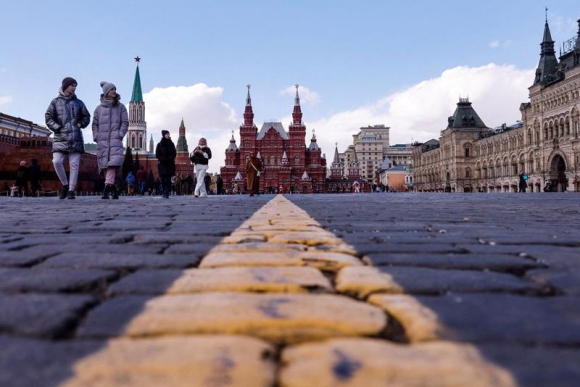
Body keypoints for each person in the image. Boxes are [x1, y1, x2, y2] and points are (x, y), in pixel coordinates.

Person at [45, 77, 91, 199]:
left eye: (75, 86)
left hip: (75, 137)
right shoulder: (55, 102)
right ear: (66, 86)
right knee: (56, 161)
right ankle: (65, 184)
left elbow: (86, 116)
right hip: (60, 137)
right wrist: (58, 128)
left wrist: (81, 124)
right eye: (72, 85)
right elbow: (48, 117)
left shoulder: (79, 103)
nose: (74, 88)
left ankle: (71, 190)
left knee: (74, 164)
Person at [92, 81, 128, 200]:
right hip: (102, 141)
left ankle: (106, 189)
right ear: (106, 92)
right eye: (112, 89)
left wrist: (120, 134)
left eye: (115, 89)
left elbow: (125, 122)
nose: (114, 91)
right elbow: (95, 125)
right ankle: (114, 190)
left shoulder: (120, 107)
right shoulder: (98, 109)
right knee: (105, 167)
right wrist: (96, 136)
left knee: (112, 165)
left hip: (115, 140)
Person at [155, 130, 176, 199]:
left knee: (168, 179)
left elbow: (174, 153)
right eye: (167, 134)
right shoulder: (159, 144)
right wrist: (162, 159)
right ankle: (164, 191)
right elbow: (157, 154)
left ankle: (166, 192)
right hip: (162, 164)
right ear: (164, 135)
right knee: (163, 179)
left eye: (168, 134)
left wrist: (170, 158)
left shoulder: (171, 144)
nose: (168, 135)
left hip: (169, 163)